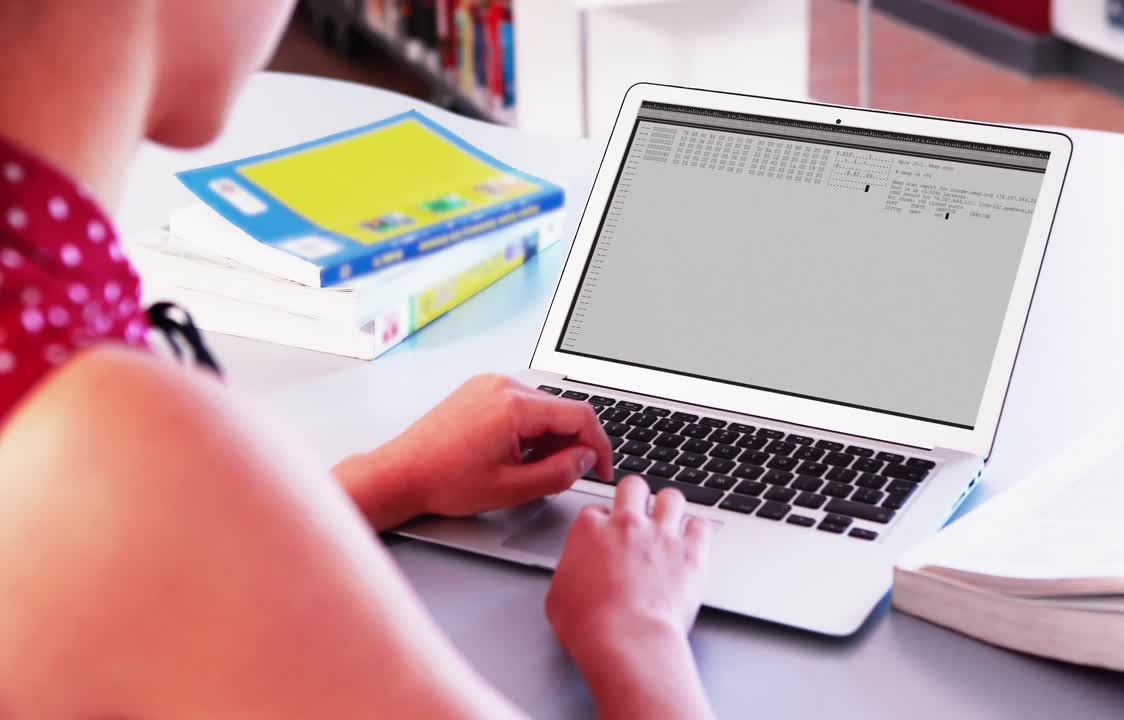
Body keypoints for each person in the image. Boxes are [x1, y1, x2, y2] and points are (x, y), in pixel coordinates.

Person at [0, 2, 715, 717]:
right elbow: (150, 531)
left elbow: (149, 581)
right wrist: (639, 638)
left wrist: (389, 479)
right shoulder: (122, 444)